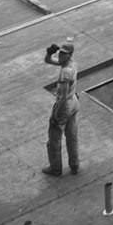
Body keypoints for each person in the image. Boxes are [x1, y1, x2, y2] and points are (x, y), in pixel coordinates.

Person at [44, 38, 80, 177]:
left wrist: (56, 115)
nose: (60, 55)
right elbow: (48, 61)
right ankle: (74, 165)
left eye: (64, 53)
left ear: (69, 55)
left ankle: (55, 168)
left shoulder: (65, 72)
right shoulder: (71, 63)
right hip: (74, 102)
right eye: (60, 52)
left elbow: (63, 97)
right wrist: (49, 53)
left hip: (65, 106)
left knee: (54, 139)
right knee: (72, 136)